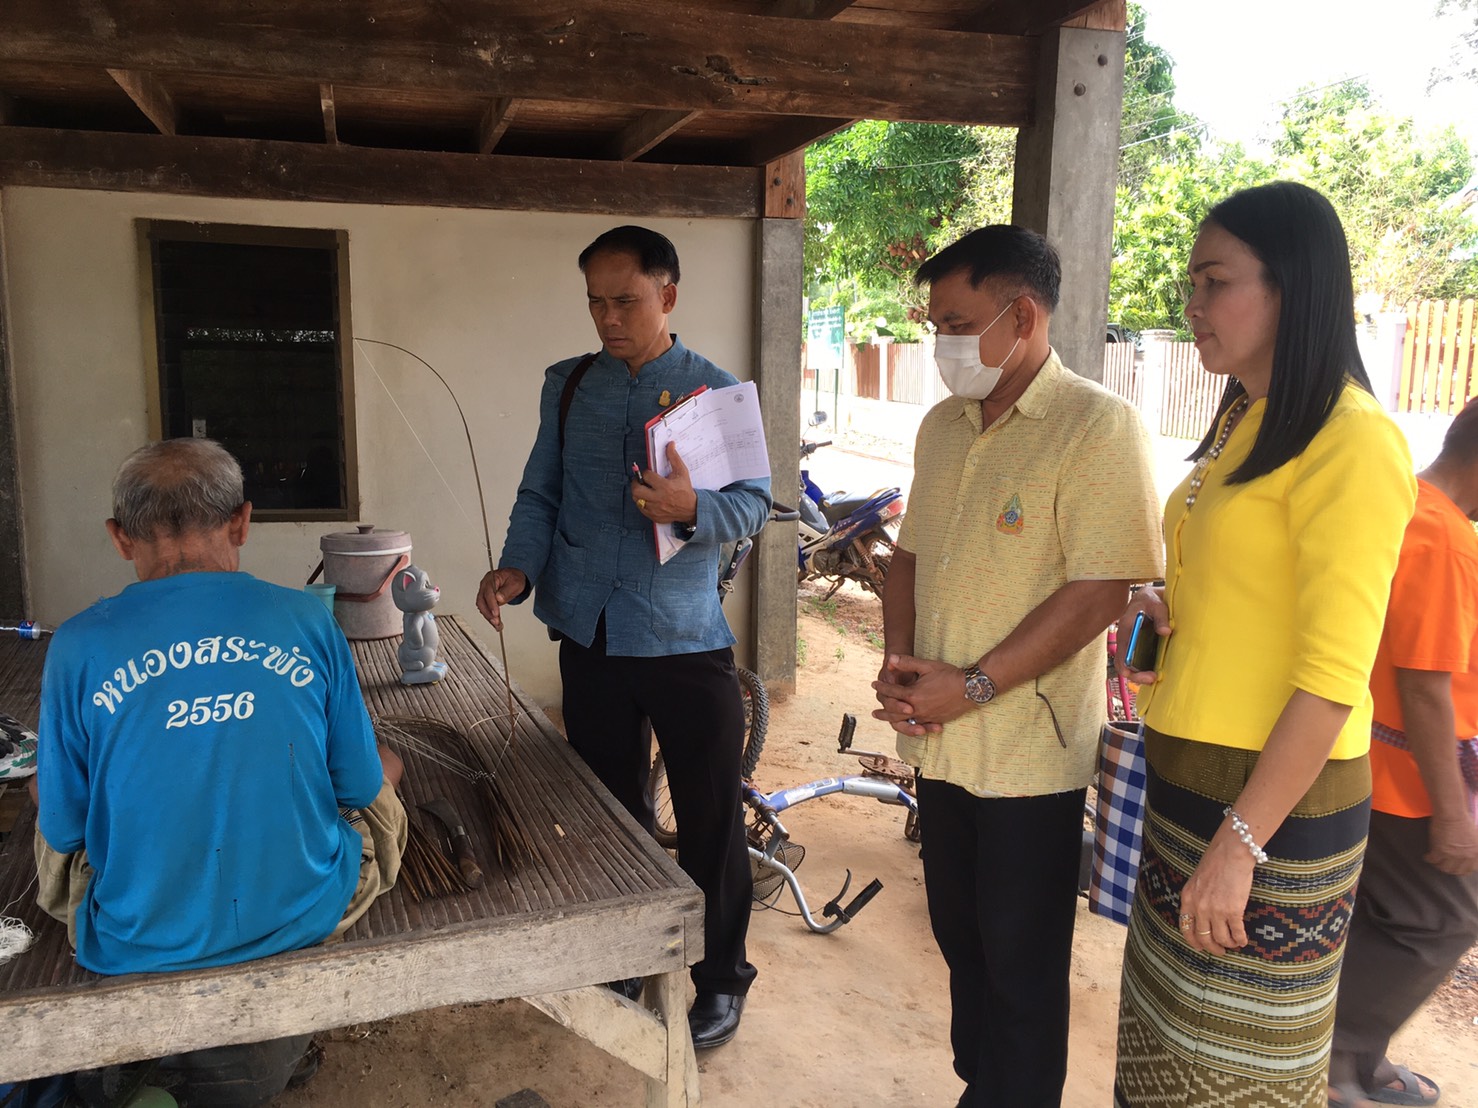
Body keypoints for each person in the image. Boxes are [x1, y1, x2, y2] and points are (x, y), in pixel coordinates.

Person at [1111, 181, 1417, 1107]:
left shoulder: (1352, 442)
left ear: (1292, 288)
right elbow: (1241, 596)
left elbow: (1332, 678)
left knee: (1236, 1076)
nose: (1193, 308)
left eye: (1215, 282)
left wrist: (1241, 845)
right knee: (1162, 1051)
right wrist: (1162, 607)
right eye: (1191, 284)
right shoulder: (1246, 420)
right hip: (1190, 783)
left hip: (1272, 813)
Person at [871, 225, 1163, 1107]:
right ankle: (982, 1084)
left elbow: (1103, 589)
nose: (940, 345)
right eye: (933, 325)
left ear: (1022, 315)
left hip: (1029, 755)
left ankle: (1017, 1093)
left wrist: (977, 683)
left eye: (955, 323)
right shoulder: (945, 426)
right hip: (944, 742)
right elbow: (911, 559)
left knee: (1021, 950)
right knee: (958, 932)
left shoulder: (1095, 427)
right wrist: (899, 663)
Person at [33, 437, 406, 1104]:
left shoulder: (78, 643)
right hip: (303, 910)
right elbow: (353, 787)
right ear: (242, 523)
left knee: (50, 795)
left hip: (133, 933)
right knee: (382, 771)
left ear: (120, 539)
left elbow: (63, 828)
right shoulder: (304, 620)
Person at [476, 225, 770, 1049]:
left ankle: (720, 978)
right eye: (596, 303)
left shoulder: (716, 394)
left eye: (626, 301)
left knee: (711, 818)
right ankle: (627, 954)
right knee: (610, 812)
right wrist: (518, 570)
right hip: (592, 635)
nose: (608, 318)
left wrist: (692, 511)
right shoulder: (568, 387)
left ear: (667, 296)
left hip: (682, 638)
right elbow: (540, 493)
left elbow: (755, 504)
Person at [1328, 402, 1478, 1107]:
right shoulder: (1446, 538)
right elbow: (1425, 687)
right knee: (1442, 918)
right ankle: (1334, 1064)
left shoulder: (1406, 504)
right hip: (1410, 776)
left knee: (1380, 915)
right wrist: (1452, 816)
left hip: (1365, 757)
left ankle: (1363, 1059)